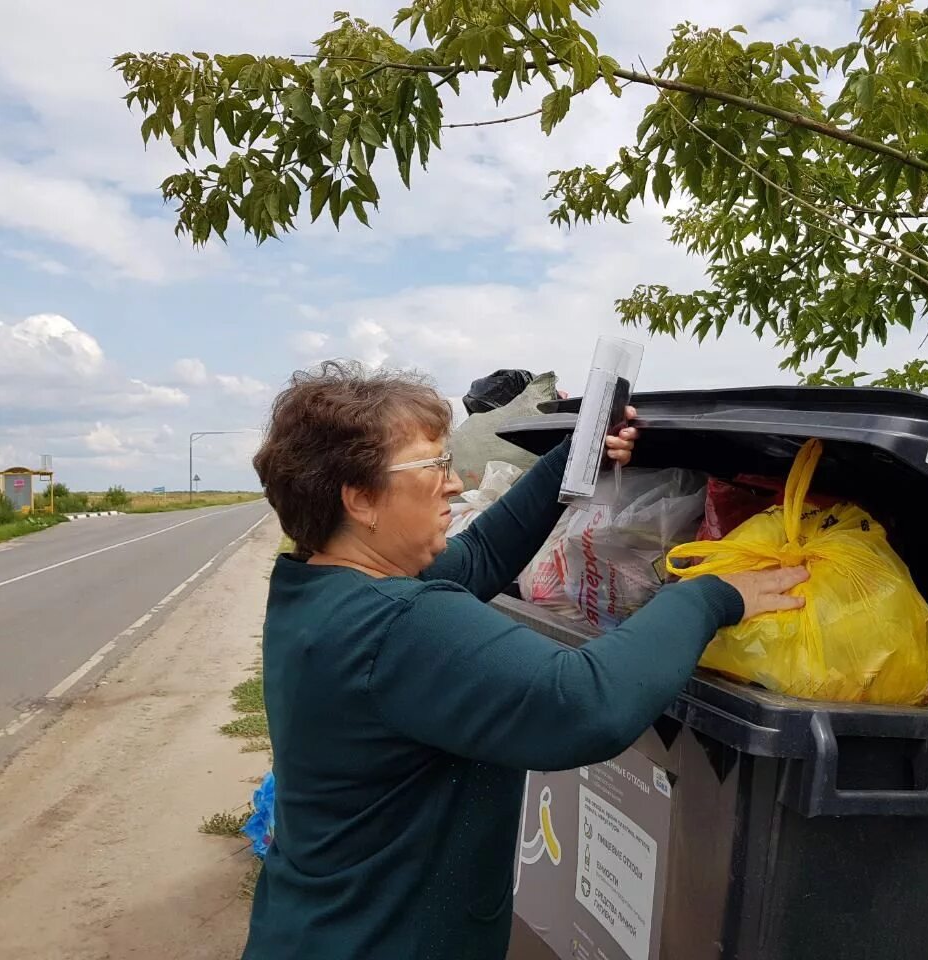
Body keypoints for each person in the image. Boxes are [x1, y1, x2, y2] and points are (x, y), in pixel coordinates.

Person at [244, 361, 809, 960]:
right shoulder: (398, 624)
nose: (456, 482)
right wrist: (712, 595)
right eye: (433, 465)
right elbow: (585, 704)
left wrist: (577, 455)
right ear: (360, 499)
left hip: (311, 927)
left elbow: (482, 553)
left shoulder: (317, 592)